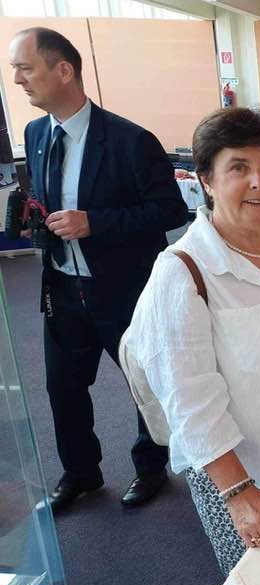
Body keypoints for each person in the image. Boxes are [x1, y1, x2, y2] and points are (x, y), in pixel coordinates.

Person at [124, 107, 260, 575]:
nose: (258, 182)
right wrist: (239, 493)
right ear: (206, 180)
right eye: (238, 168)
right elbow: (188, 402)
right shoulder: (182, 273)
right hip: (244, 479)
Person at [8, 27, 186, 511]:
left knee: (142, 383)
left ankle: (151, 467)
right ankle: (81, 473)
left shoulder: (131, 141)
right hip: (62, 287)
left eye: (25, 68)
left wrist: (95, 223)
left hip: (122, 288)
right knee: (62, 387)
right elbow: (46, 197)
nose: (18, 80)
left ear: (63, 70)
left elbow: (170, 210)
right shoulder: (36, 134)